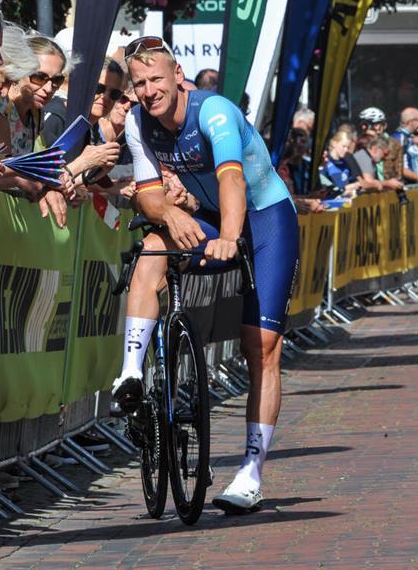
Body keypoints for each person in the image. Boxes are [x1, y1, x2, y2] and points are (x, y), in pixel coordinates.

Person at [115, 36, 299, 514]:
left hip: (261, 218)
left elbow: (231, 179)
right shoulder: (138, 122)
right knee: (152, 247)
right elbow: (148, 192)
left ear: (179, 76)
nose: (148, 90)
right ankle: (131, 373)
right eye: (139, 83)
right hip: (208, 214)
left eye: (156, 79)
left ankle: (251, 473)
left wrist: (230, 237)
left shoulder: (214, 111)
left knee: (261, 345)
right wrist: (170, 217)